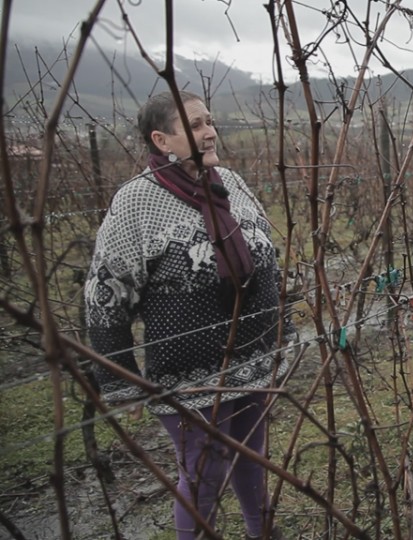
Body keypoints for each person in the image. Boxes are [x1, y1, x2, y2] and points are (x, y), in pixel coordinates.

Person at [85, 91, 289, 540]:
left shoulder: (230, 183)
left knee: (252, 464)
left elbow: (266, 259)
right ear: (162, 140)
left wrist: (280, 329)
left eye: (209, 121)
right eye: (195, 125)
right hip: (188, 379)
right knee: (203, 479)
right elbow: (104, 296)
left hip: (253, 360)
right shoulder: (137, 202)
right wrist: (120, 382)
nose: (210, 130)